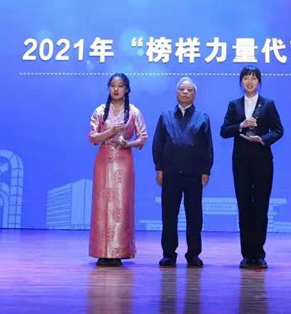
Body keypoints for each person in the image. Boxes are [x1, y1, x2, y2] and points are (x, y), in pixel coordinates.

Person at [220, 65, 283, 269]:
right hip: (241, 162)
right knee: (244, 207)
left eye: (254, 78)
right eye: (246, 78)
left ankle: (259, 254)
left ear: (259, 82)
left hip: (263, 161)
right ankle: (247, 254)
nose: (249, 82)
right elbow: (224, 131)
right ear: (241, 82)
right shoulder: (234, 105)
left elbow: (278, 130)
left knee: (261, 208)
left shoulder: (268, 104)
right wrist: (241, 125)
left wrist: (262, 139)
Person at [152, 77, 214, 268]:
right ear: (176, 93)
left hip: (194, 174)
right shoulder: (165, 115)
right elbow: (158, 144)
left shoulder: (203, 117)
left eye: (189, 90)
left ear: (194, 94)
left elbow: (207, 147)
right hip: (170, 173)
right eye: (182, 89)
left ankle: (193, 254)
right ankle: (168, 254)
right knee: (169, 215)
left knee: (194, 216)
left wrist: (206, 171)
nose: (185, 92)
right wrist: (159, 168)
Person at [87, 73, 148, 267]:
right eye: (112, 85)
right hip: (103, 160)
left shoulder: (134, 112)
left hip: (123, 160)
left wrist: (128, 144)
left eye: (120, 86)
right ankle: (101, 252)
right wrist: (111, 132)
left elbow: (143, 138)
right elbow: (92, 138)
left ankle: (119, 251)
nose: (116, 89)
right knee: (102, 204)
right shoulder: (100, 111)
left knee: (121, 204)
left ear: (127, 89)